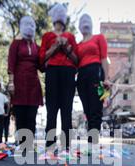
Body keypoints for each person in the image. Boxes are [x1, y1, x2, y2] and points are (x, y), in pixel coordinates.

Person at [39, 3, 78, 154]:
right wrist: (55, 46)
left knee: (67, 109)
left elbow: (76, 60)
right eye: (58, 18)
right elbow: (42, 58)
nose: (60, 21)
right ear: (54, 20)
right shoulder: (47, 36)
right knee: (51, 109)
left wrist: (67, 48)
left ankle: (66, 145)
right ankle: (50, 144)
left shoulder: (70, 36)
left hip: (68, 73)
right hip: (52, 72)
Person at [8, 16, 43, 149]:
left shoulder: (37, 47)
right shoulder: (16, 44)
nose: (30, 28)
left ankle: (29, 143)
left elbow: (41, 66)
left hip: (33, 84)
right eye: (27, 25)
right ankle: (22, 143)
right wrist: (11, 82)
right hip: (19, 83)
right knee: (21, 114)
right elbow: (11, 63)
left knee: (31, 115)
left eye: (32, 26)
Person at [76, 13, 110, 147]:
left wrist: (106, 78)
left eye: (87, 21)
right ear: (79, 27)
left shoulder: (99, 38)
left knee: (97, 109)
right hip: (81, 78)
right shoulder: (77, 45)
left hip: (97, 74)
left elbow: (104, 58)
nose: (85, 23)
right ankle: (91, 141)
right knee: (88, 111)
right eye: (82, 21)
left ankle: (93, 143)